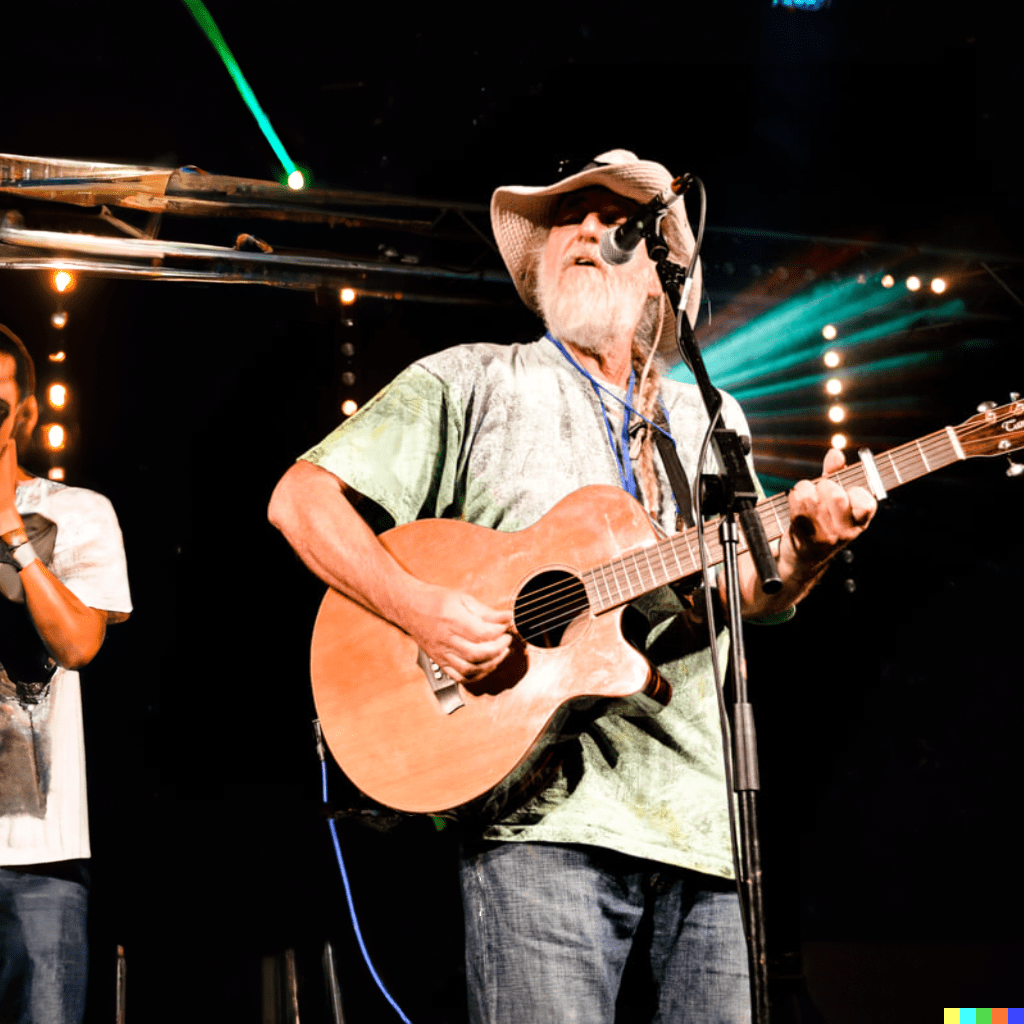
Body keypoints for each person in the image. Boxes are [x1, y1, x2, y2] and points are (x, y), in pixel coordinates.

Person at [268, 150, 876, 1023]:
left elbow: (743, 597)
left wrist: (811, 548)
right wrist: (421, 610)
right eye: (567, 216)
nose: (586, 229)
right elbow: (300, 500)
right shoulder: (473, 379)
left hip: (707, 830)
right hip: (540, 823)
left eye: (613, 219)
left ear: (659, 264)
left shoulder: (712, 420)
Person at [0, 324, 132, 1024]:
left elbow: (78, 644)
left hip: (38, 858)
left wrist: (11, 531)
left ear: (22, 413)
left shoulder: (79, 514)